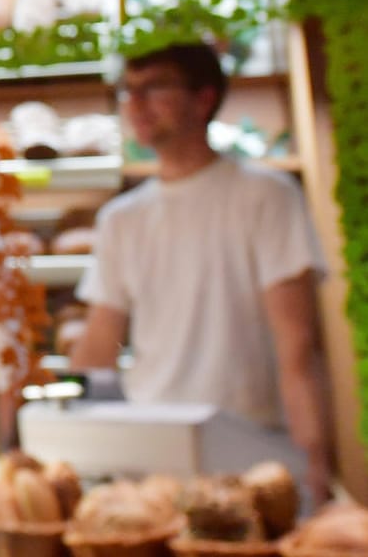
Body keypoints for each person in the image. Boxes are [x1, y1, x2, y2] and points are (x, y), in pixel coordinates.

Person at [71, 41, 335, 504]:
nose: (135, 104)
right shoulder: (122, 219)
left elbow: (297, 345)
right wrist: (66, 433)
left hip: (254, 450)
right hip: (153, 451)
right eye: (128, 90)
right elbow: (100, 341)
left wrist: (316, 463)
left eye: (154, 88)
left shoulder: (267, 197)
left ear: (204, 97)